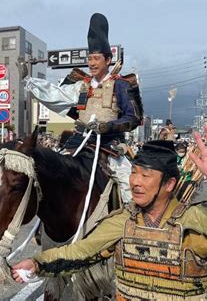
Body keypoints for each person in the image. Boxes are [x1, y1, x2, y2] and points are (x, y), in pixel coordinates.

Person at [12, 125, 207, 299]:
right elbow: (80, 252)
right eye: (133, 173)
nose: (135, 182)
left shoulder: (192, 221)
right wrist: (37, 263)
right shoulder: (122, 221)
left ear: (169, 184)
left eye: (145, 175)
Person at [18, 13, 143, 203]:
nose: (91, 63)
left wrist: (106, 127)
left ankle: (130, 222)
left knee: (128, 184)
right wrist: (29, 81)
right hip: (78, 142)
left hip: (108, 145)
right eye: (89, 58)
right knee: (50, 172)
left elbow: (133, 118)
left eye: (96, 58)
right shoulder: (81, 85)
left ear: (108, 60)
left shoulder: (121, 85)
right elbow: (56, 94)